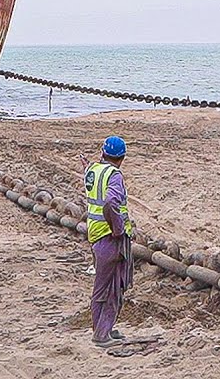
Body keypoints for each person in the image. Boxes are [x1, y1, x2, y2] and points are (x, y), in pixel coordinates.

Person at [85, 135, 135, 348]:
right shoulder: (114, 176)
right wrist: (118, 228)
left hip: (96, 234)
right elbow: (110, 202)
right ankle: (101, 334)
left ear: (103, 153)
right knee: (110, 287)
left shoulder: (93, 170)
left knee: (107, 285)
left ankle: (103, 327)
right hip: (110, 237)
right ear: (122, 157)